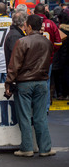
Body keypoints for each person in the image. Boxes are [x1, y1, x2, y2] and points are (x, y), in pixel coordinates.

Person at [5, 14, 56, 157]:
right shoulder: (47, 43)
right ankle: (45, 148)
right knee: (41, 117)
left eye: (26, 26)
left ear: (30, 26)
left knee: (25, 116)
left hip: (25, 83)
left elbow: (14, 65)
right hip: (41, 81)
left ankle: (27, 147)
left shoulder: (22, 42)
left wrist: (8, 82)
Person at [34, 3, 62, 112]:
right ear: (45, 12)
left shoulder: (31, 23)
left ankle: (36, 107)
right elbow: (58, 43)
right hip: (48, 59)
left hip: (34, 60)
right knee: (46, 83)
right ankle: (45, 108)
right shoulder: (51, 24)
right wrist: (51, 51)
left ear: (35, 12)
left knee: (34, 83)